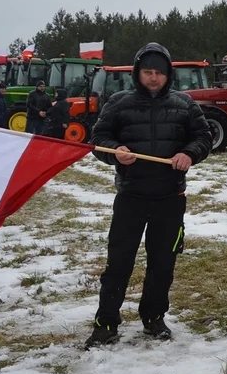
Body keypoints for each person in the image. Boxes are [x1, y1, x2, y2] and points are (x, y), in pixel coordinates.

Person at [84, 43, 213, 349]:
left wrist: (189, 153)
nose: (154, 78)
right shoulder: (119, 103)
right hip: (132, 196)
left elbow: (204, 137)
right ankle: (106, 324)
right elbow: (98, 139)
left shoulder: (185, 105)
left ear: (168, 74)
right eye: (148, 72)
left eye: (159, 73)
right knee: (119, 262)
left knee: (162, 263)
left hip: (170, 197)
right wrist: (115, 152)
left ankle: (154, 318)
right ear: (137, 73)